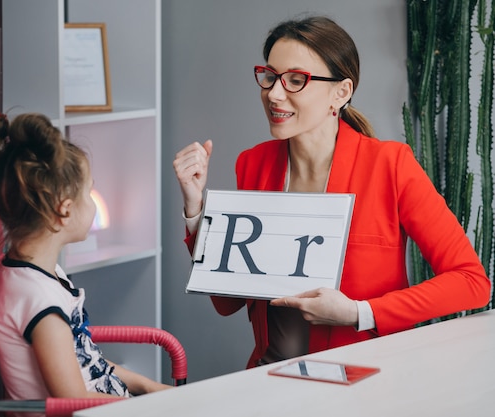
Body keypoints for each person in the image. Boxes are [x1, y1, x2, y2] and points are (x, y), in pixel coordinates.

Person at [173, 15, 491, 369]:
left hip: (364, 382)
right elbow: (226, 302)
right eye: (269, 76)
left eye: (296, 80)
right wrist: (196, 207)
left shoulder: (390, 165)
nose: (274, 94)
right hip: (269, 379)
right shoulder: (253, 164)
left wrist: (359, 312)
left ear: (340, 93)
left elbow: (471, 282)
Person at [0, 112, 170, 414]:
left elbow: (87, 361)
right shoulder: (39, 303)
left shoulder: (35, 274)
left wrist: (148, 387)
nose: (92, 201)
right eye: (88, 192)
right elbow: (71, 397)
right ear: (64, 210)